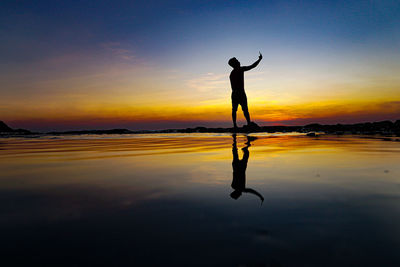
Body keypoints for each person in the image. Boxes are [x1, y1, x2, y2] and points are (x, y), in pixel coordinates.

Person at [228, 52, 262, 130]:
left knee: (234, 110)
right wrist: (259, 59)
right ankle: (248, 123)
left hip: (234, 94)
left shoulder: (231, 73)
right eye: (237, 61)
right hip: (240, 93)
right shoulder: (240, 69)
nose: (239, 61)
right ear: (234, 64)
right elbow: (252, 66)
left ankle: (235, 125)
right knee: (244, 110)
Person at [231, 134, 264, 204]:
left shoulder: (239, 188)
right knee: (236, 152)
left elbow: (251, 191)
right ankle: (237, 140)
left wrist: (260, 196)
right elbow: (252, 191)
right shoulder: (234, 186)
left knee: (237, 153)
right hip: (238, 168)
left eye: (239, 194)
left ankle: (238, 140)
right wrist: (260, 196)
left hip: (239, 168)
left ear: (237, 193)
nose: (241, 194)